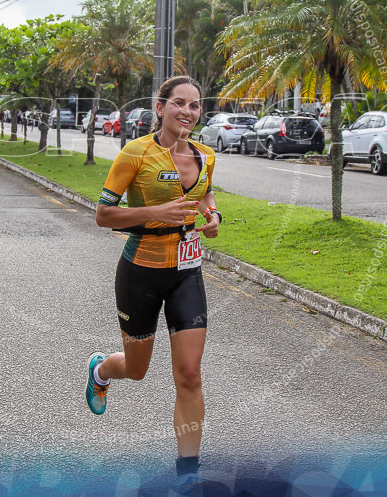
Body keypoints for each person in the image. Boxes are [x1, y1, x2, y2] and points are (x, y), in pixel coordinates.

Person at [87, 75, 221, 495]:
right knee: (138, 369)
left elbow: (204, 194)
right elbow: (103, 215)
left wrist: (214, 215)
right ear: (160, 106)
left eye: (195, 106)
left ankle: (188, 474)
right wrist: (154, 213)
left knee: (189, 374)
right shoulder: (136, 153)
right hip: (140, 272)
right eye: (178, 103)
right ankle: (102, 369)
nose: (187, 112)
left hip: (186, 271)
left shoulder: (206, 155)